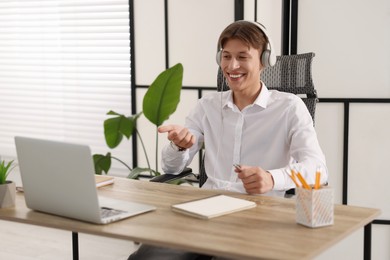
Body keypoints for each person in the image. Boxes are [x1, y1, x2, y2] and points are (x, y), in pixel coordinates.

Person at [128, 20, 328, 260]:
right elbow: (172, 168)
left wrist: (272, 178)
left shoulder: (289, 108)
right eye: (226, 56)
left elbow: (318, 169)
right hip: (202, 214)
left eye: (243, 57)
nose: (232, 66)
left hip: (257, 219)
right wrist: (178, 145)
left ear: (265, 61)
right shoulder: (207, 107)